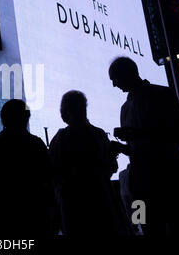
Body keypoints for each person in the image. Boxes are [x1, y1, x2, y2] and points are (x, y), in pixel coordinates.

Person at [108, 56, 179, 235]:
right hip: (139, 185)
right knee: (146, 228)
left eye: (115, 79)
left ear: (127, 74)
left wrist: (138, 136)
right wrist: (122, 147)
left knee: (172, 226)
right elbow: (135, 149)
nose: (114, 85)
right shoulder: (126, 107)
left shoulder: (162, 94)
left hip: (166, 181)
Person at [49, 90, 131, 235]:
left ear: (65, 112)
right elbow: (110, 167)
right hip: (101, 200)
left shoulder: (60, 138)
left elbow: (54, 173)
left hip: (72, 204)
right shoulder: (98, 134)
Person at [0, 99, 55, 237]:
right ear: (26, 118)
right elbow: (48, 176)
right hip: (36, 211)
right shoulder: (37, 144)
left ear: (3, 119)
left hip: (7, 211)